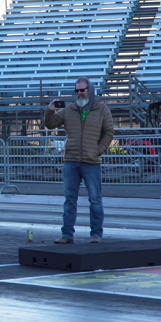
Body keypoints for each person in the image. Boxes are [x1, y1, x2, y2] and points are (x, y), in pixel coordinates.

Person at [44, 77, 115, 244]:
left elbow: (109, 132)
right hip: (71, 161)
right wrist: (50, 110)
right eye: (76, 90)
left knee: (95, 199)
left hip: (91, 161)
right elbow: (51, 125)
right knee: (70, 199)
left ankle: (96, 234)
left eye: (82, 90)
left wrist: (98, 150)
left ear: (89, 90)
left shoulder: (102, 109)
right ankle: (67, 234)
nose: (79, 93)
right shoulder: (69, 110)